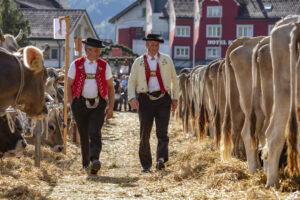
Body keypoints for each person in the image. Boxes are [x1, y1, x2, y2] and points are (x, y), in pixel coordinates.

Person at [128, 34, 179, 172]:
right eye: (151, 45)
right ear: (146, 46)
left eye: (156, 45)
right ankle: (146, 164)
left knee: (162, 132)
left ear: (159, 46)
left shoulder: (166, 60)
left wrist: (175, 98)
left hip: (163, 98)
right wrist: (132, 98)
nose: (153, 47)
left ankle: (161, 159)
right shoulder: (138, 62)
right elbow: (132, 82)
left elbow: (175, 79)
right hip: (145, 99)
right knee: (144, 133)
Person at [67, 37, 115, 175]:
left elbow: (111, 87)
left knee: (94, 131)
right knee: (83, 134)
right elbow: (69, 85)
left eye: (99, 50)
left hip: (98, 103)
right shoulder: (76, 64)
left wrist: (110, 107)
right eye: (95, 50)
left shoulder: (104, 65)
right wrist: (73, 103)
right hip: (80, 104)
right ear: (87, 51)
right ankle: (85, 163)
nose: (98, 53)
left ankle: (95, 160)